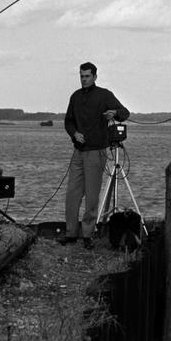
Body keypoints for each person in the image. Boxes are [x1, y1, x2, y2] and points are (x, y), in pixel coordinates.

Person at [63, 61, 129, 248]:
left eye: (87, 76)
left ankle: (87, 235)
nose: (84, 79)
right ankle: (70, 234)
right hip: (78, 152)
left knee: (92, 197)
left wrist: (114, 112)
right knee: (72, 195)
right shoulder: (75, 97)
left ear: (94, 77)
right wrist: (74, 133)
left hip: (96, 152)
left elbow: (125, 113)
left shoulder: (104, 95)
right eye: (81, 76)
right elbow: (68, 121)